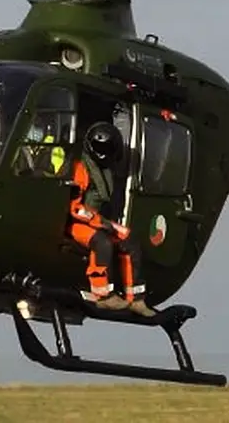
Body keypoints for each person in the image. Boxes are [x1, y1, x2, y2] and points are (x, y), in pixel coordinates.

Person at [68, 121, 156, 317]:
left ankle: (136, 300)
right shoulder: (80, 169)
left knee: (129, 239)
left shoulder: (105, 171)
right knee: (103, 242)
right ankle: (103, 296)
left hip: (94, 221)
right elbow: (74, 208)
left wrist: (106, 224)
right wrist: (100, 223)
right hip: (75, 223)